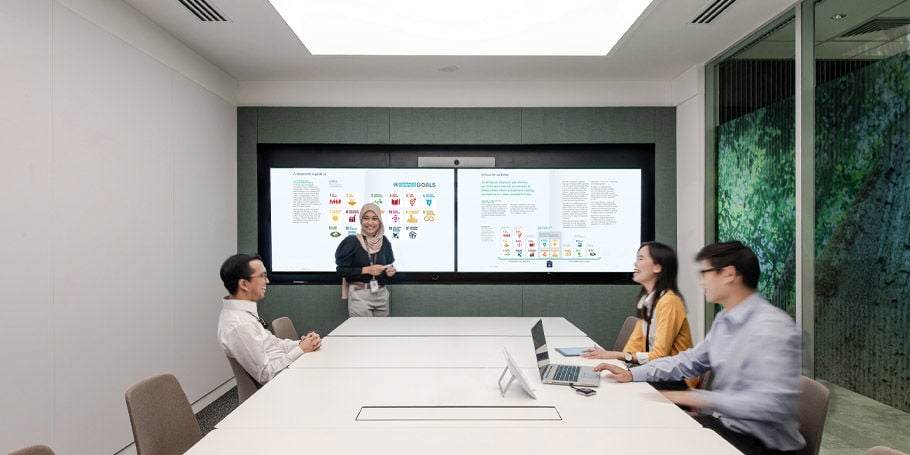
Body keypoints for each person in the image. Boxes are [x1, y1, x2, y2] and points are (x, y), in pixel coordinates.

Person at [595, 241, 805, 455]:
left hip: (764, 446)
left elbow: (771, 404)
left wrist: (695, 397)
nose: (702, 281)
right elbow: (688, 362)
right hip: (730, 429)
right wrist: (632, 374)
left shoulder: (773, 327)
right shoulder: (725, 319)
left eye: (705, 273)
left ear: (729, 274)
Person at [581, 241, 698, 389]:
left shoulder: (669, 302)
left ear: (657, 267)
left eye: (641, 259)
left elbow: (660, 356)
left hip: (677, 379)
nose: (635, 264)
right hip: (656, 371)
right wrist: (614, 358)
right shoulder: (647, 301)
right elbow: (634, 345)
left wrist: (618, 356)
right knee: (609, 380)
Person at [218, 253, 322, 384]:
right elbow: (266, 375)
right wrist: (301, 350)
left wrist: (302, 344)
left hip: (285, 374)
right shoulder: (239, 325)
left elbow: (273, 344)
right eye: (262, 276)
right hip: (277, 387)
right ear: (244, 284)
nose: (267, 281)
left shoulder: (245, 314)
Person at [335, 203, 397, 317]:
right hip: (360, 295)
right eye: (366, 218)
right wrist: (366, 270)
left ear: (380, 222)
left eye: (374, 219)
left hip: (381, 295)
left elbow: (389, 265)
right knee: (362, 333)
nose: (370, 223)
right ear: (360, 220)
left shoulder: (384, 241)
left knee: (381, 333)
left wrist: (390, 271)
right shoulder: (351, 241)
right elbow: (341, 271)